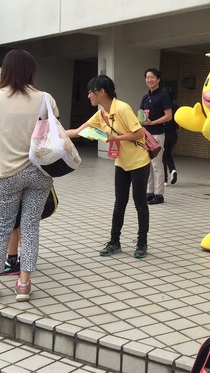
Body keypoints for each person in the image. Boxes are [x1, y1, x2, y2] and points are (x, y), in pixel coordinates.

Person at [0, 49, 55, 302]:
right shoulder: (45, 98)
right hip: (40, 171)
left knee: (1, 227)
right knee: (30, 227)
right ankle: (23, 283)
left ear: (5, 70)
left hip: (6, 172)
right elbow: (54, 134)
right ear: (31, 70)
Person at [67, 74, 151, 258]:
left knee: (140, 203)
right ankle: (114, 242)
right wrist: (51, 134)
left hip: (139, 162)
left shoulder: (122, 108)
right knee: (119, 202)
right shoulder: (102, 114)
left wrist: (116, 138)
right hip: (121, 163)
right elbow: (78, 131)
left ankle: (142, 243)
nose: (89, 95)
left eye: (91, 91)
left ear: (102, 92)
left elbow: (138, 134)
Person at [139, 68, 172, 205]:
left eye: (152, 77)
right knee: (148, 164)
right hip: (146, 134)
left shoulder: (163, 95)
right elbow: (140, 114)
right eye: (147, 77)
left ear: (158, 79)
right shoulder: (145, 97)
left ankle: (159, 194)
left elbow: (169, 116)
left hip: (158, 133)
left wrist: (153, 122)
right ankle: (150, 191)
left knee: (157, 164)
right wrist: (142, 121)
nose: (149, 80)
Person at [162, 86, 179, 185]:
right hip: (174, 134)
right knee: (168, 154)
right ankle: (173, 170)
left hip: (165, 133)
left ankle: (164, 179)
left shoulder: (165, 106)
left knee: (162, 156)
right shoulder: (176, 106)